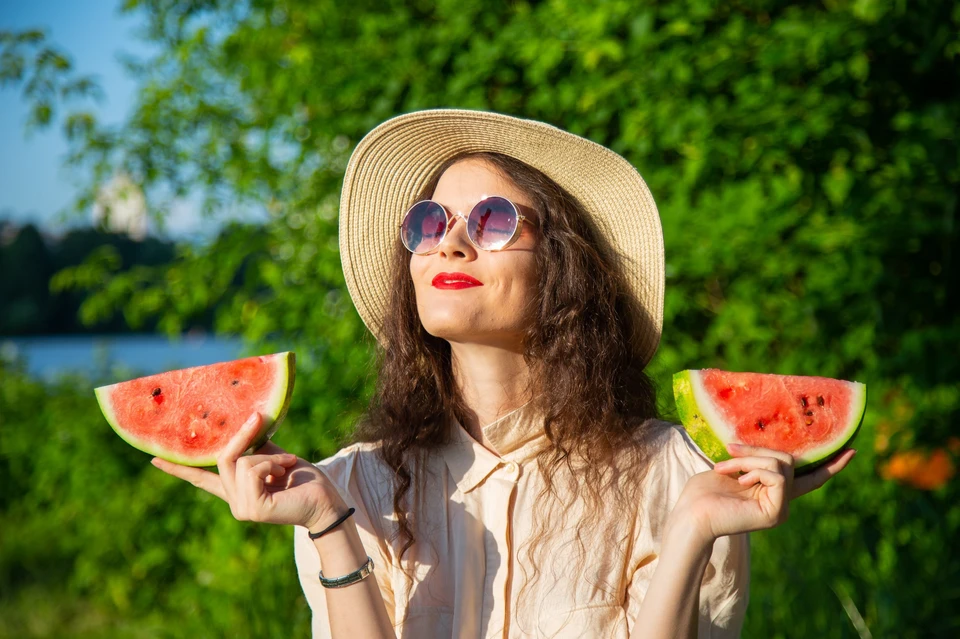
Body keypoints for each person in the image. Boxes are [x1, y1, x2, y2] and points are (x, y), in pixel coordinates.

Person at [151, 109, 856, 638]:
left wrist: (692, 529)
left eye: (490, 220)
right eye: (428, 222)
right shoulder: (351, 486)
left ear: (563, 263)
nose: (449, 241)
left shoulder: (674, 477)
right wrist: (328, 522)